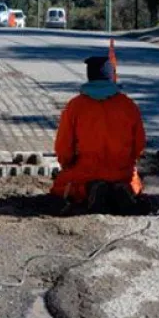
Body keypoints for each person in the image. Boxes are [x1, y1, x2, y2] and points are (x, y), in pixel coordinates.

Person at [51, 57, 146, 214]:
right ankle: (123, 189)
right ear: (111, 77)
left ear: (90, 77)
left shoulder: (75, 105)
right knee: (133, 181)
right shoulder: (128, 105)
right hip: (121, 170)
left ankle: (90, 190)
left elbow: (63, 146)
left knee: (61, 185)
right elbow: (139, 144)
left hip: (86, 170)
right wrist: (130, 161)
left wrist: (66, 164)